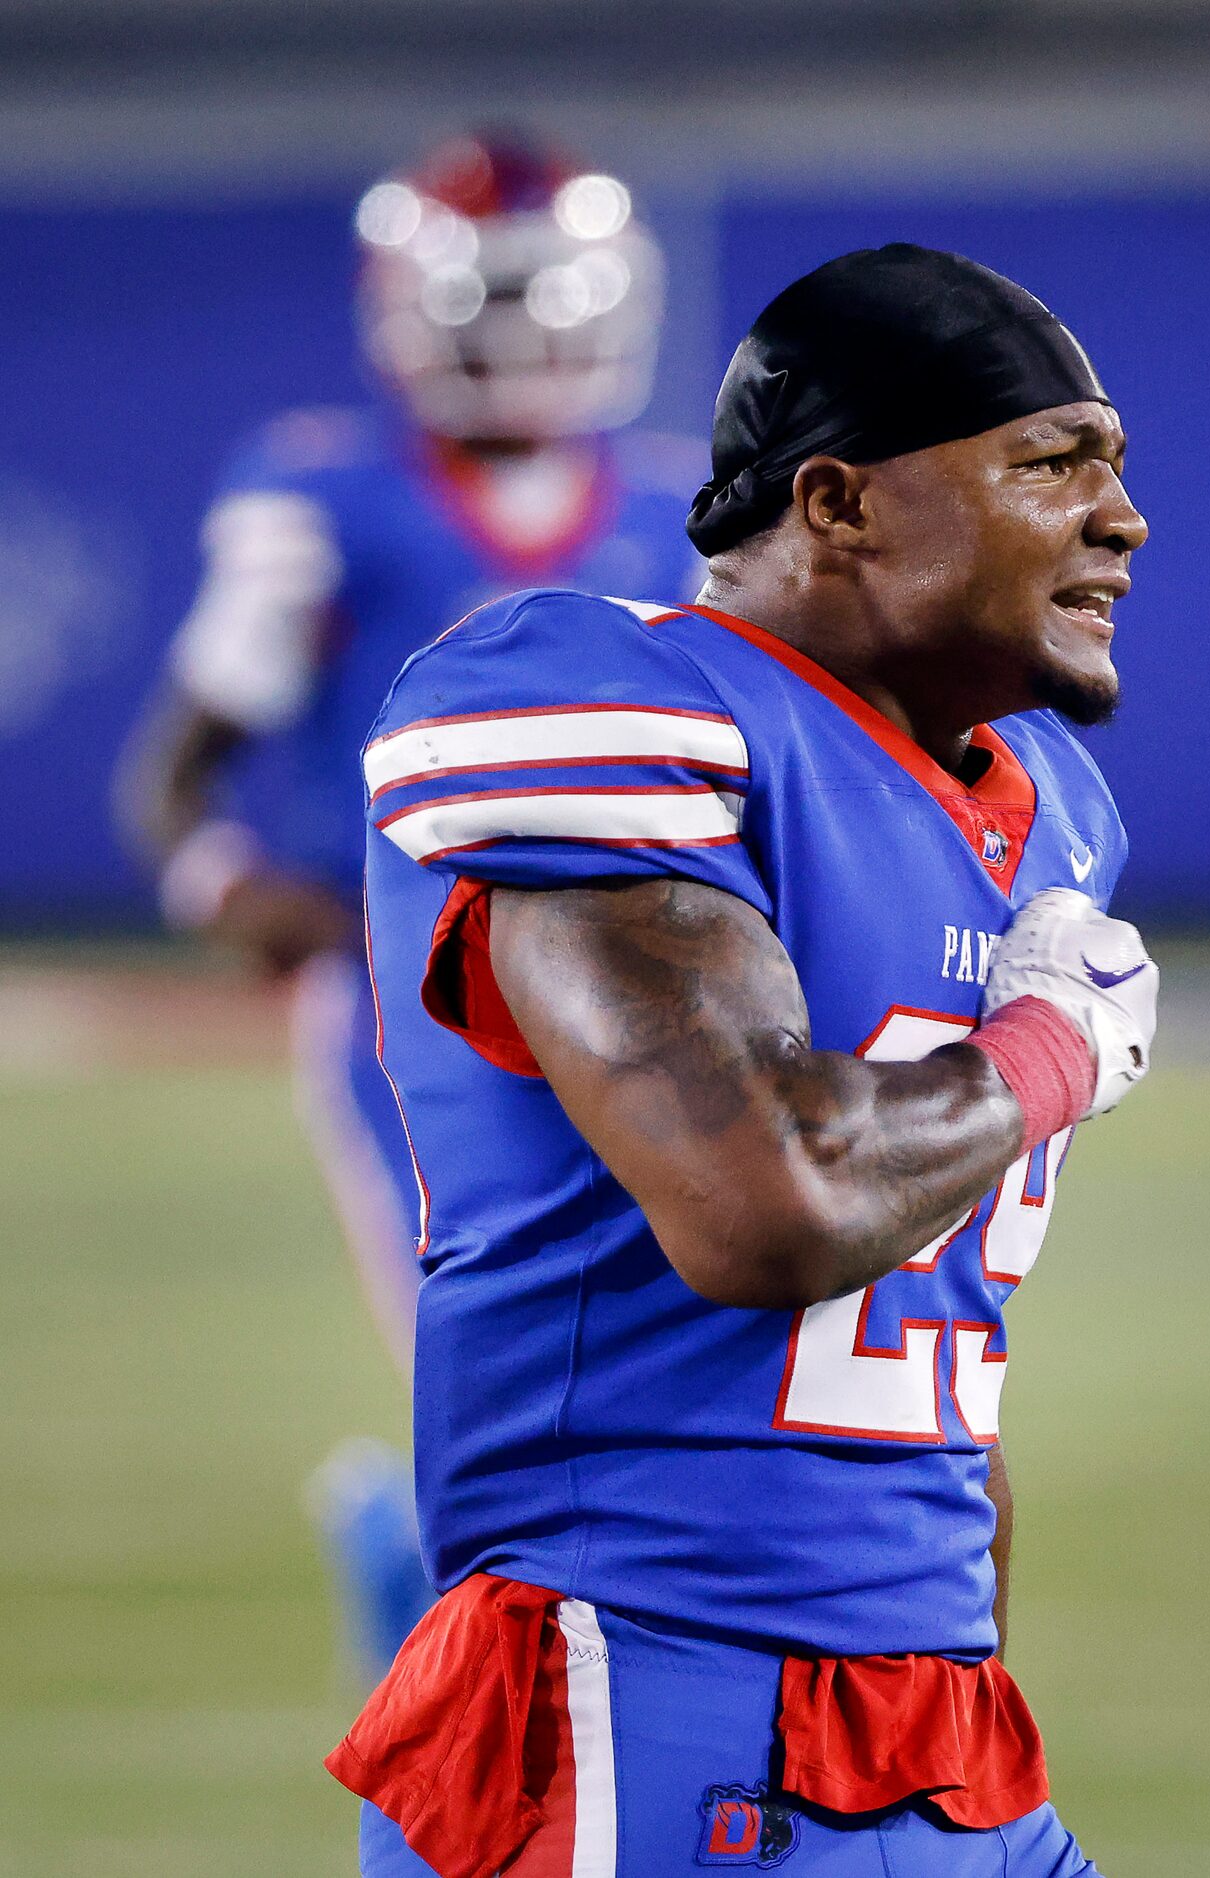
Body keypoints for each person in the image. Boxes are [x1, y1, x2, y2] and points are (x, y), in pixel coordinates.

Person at [330, 243, 1156, 1878]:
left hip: (935, 1719)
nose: (1120, 519)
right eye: (1051, 464)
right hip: (648, 1694)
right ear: (838, 502)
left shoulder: (1048, 807)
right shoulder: (606, 698)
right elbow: (767, 1203)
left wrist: (958, 1645)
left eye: (1115, 470)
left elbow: (937, 1354)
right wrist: (1051, 1051)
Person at [112, 130, 702, 1680]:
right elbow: (178, 770)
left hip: (643, 997)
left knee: (662, 1369)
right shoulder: (330, 490)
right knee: (503, 1375)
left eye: (546, 297)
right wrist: (239, 884)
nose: (520, 336)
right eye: (492, 301)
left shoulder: (677, 508)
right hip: (410, 1009)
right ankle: (448, 1637)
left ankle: (477, 1608)